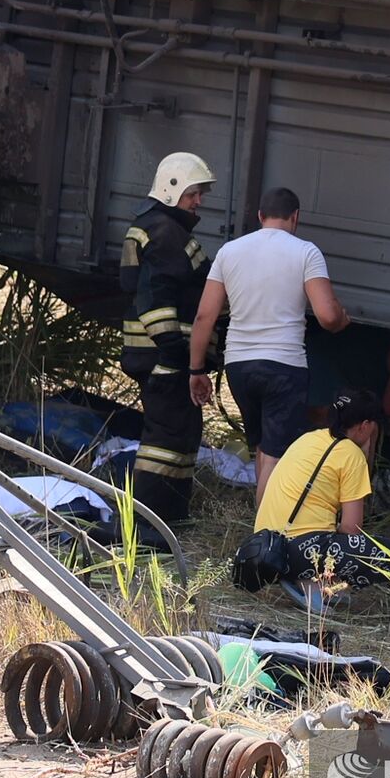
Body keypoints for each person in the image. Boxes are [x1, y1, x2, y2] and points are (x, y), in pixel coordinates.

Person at [188, 187, 351, 506]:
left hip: (239, 367)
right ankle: (266, 539)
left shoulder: (229, 252)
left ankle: (261, 534)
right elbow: (327, 316)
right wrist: (343, 319)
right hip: (283, 367)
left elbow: (204, 316)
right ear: (296, 217)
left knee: (263, 448)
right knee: (278, 456)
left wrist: (196, 369)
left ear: (260, 217)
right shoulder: (306, 252)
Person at [118, 152, 216, 523]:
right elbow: (156, 300)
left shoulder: (160, 228)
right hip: (165, 356)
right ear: (172, 190)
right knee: (166, 438)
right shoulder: (164, 233)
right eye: (194, 193)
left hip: (162, 355)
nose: (198, 201)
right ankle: (147, 523)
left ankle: (170, 516)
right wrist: (177, 355)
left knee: (180, 434)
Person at [253, 390, 390, 603]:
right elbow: (352, 528)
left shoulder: (307, 438)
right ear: (364, 426)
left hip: (266, 545)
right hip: (302, 552)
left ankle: (310, 580)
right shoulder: (351, 456)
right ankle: (314, 582)